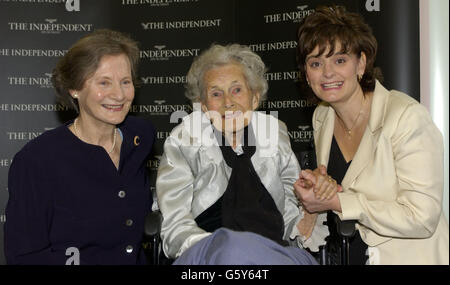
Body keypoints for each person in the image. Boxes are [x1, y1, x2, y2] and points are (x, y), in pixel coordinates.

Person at [155, 43, 339, 265]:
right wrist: (219, 248)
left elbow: (291, 222)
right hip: (207, 254)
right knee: (234, 252)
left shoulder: (274, 134)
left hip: (273, 253)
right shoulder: (184, 140)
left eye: (237, 90)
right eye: (216, 93)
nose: (228, 102)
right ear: (203, 106)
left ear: (254, 98)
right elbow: (175, 225)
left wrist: (312, 204)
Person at [294, 5, 449, 265]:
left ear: (361, 63)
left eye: (340, 60)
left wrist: (338, 201)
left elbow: (422, 218)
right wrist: (319, 190)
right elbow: (340, 189)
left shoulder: (405, 117)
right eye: (316, 63)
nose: (328, 72)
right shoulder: (322, 116)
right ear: (307, 75)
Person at [4, 29, 156, 265]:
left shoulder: (140, 137)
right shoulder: (38, 161)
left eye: (125, 82)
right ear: (74, 88)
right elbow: (24, 256)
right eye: (104, 82)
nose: (118, 94)